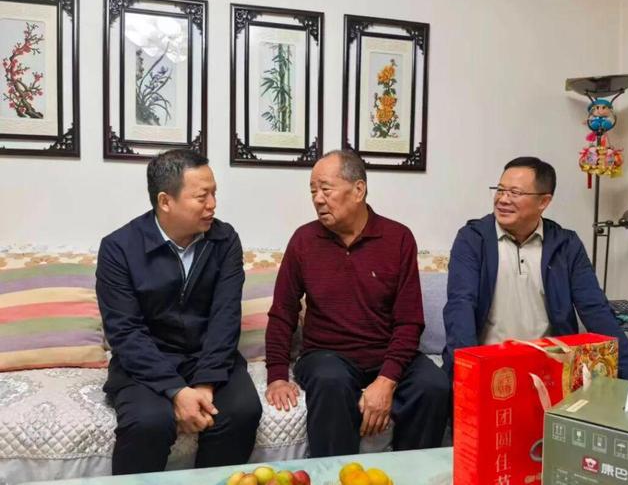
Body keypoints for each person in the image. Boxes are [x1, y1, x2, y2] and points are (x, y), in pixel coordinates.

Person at [265, 149, 450, 457]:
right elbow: (283, 313)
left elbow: (409, 321)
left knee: (434, 386)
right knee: (331, 381)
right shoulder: (304, 240)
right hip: (326, 355)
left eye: (326, 189)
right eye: (313, 191)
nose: (318, 199)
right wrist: (276, 376)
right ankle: (334, 475)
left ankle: (412, 473)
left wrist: (387, 380)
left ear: (358, 189)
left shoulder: (398, 238)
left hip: (384, 351)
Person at [96, 149, 261, 475]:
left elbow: (225, 316)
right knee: (149, 422)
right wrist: (177, 391)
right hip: (146, 362)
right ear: (165, 201)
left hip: (207, 357)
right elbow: (125, 332)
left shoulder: (224, 240)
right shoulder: (119, 248)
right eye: (202, 197)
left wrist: (206, 384)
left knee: (242, 411)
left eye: (214, 193)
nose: (212, 204)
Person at [442, 156, 628, 382]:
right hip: (490, 367)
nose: (502, 199)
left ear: (544, 201)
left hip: (550, 368)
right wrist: (468, 373)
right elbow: (460, 305)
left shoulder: (566, 245)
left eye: (515, 192)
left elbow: (596, 310)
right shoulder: (472, 239)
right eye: (500, 190)